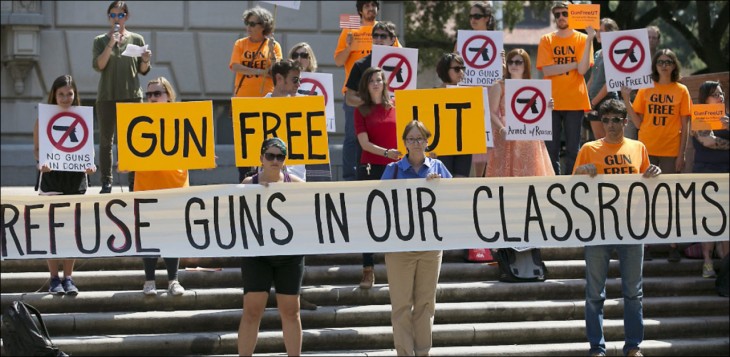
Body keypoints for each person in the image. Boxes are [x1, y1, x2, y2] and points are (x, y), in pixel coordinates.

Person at [573, 98, 662, 357]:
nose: (610, 125)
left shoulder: (638, 147)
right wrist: (580, 171)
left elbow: (647, 180)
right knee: (594, 293)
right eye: (605, 120)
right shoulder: (589, 148)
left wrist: (654, 172)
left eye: (616, 120)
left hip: (631, 228)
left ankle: (633, 346)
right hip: (598, 228)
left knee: (633, 292)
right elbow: (571, 185)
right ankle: (596, 348)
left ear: (625, 122)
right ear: (601, 122)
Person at [380, 120, 452, 356]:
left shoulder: (439, 168)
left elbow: (457, 197)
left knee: (425, 305)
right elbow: (379, 202)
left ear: (427, 141)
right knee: (401, 306)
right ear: (404, 143)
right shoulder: (392, 170)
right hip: (399, 247)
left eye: (420, 138)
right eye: (411, 139)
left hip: (431, 246)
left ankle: (423, 352)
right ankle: (404, 353)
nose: (416, 143)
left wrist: (440, 186)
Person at [237, 137, 305, 357]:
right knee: (252, 311)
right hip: (257, 255)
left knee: (291, 311)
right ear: (261, 158)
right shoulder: (248, 184)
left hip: (289, 256)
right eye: (270, 156)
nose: (275, 160)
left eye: (280, 156)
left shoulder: (296, 185)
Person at [622, 49, 691, 262]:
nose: (664, 65)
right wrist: (626, 98)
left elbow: (686, 125)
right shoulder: (645, 89)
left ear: (674, 65)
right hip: (647, 149)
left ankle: (673, 245)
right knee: (645, 196)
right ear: (655, 65)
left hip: (671, 151)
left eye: (668, 61)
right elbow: (639, 122)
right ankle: (647, 244)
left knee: (669, 198)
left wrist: (682, 154)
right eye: (660, 61)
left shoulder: (681, 90)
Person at [33, 75, 97, 295]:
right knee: (52, 230)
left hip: (76, 180)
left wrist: (91, 166)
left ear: (75, 94)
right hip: (51, 179)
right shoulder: (44, 118)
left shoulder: (83, 117)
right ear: (54, 94)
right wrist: (41, 163)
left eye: (69, 93)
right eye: (61, 94)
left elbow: (88, 148)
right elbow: (37, 149)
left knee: (72, 231)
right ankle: (53, 279)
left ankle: (68, 278)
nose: (65, 98)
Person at [92, 0, 151, 193]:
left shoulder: (137, 39)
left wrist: (145, 60)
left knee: (132, 141)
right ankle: (107, 181)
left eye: (120, 15)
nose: (117, 19)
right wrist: (111, 43)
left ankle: (134, 180)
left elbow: (143, 71)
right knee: (106, 141)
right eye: (113, 15)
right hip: (107, 96)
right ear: (108, 17)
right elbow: (99, 65)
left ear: (127, 17)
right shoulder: (100, 40)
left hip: (132, 96)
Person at [135, 77, 186, 297]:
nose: (152, 98)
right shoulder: (137, 120)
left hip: (174, 183)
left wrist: (202, 159)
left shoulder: (181, 119)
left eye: (157, 93)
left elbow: (191, 146)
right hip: (147, 184)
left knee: (172, 234)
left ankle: (173, 279)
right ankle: (149, 280)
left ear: (168, 95)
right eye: (149, 95)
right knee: (149, 234)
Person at [354, 66, 402, 289]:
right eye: (371, 80)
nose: (376, 83)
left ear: (385, 83)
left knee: (395, 218)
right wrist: (386, 152)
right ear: (366, 85)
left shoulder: (396, 108)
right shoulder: (361, 110)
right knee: (370, 219)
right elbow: (364, 144)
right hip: (371, 168)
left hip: (395, 169)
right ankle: (368, 269)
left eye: (379, 80)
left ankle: (396, 270)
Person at [537, 1, 594, 175]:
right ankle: (553, 183)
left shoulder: (583, 38)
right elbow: (547, 69)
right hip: (551, 101)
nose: (561, 17)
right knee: (551, 148)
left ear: (573, 15)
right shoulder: (546, 39)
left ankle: (571, 184)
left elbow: (583, 70)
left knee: (573, 149)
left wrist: (591, 37)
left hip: (575, 100)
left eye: (564, 13)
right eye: (557, 15)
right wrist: (574, 64)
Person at [230, 5, 283, 182]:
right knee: (244, 147)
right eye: (247, 23)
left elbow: (277, 71)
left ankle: (265, 179)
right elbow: (235, 66)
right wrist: (260, 72)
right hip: (243, 103)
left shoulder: (274, 45)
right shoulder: (240, 44)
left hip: (266, 102)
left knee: (265, 144)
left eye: (253, 24)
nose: (249, 27)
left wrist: (273, 54)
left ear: (264, 26)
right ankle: (245, 180)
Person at [487, 48, 554, 177]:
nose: (513, 65)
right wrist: (502, 130)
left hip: (529, 135)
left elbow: (537, 113)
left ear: (526, 65)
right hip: (506, 135)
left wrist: (548, 106)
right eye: (510, 62)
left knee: (531, 172)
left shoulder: (534, 86)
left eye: (518, 62)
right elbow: (491, 113)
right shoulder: (498, 86)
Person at [335, 0, 381, 182]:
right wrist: (349, 47)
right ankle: (350, 177)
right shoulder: (350, 28)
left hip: (378, 94)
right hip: (354, 93)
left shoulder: (382, 30)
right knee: (352, 138)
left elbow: (399, 56)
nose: (371, 9)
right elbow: (339, 61)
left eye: (374, 5)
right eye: (367, 6)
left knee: (377, 136)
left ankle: (375, 174)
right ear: (360, 11)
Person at [691, 81, 729, 278]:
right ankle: (707, 262)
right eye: (715, 94)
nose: (720, 97)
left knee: (727, 219)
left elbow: (717, 142)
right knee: (708, 218)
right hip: (705, 173)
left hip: (726, 173)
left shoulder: (727, 119)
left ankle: (725, 264)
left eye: (721, 93)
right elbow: (708, 141)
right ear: (705, 98)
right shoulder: (699, 116)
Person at [288, 42, 333, 182]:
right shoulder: (285, 82)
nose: (299, 58)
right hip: (294, 133)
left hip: (314, 133)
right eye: (295, 55)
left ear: (310, 58)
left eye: (304, 55)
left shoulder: (321, 81)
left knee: (317, 179)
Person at [461, 1, 496, 177]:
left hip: (489, 95)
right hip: (467, 95)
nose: (473, 20)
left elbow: (501, 74)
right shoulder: (462, 41)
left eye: (477, 16)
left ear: (487, 19)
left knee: (486, 144)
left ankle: (482, 182)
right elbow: (454, 66)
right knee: (469, 144)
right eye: (471, 16)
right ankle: (470, 182)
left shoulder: (496, 43)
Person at [434, 53, 472, 177]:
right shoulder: (432, 94)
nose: (461, 72)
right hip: (441, 146)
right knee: (443, 184)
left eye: (463, 68)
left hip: (464, 146)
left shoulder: (469, 94)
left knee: (460, 184)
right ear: (445, 70)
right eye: (456, 69)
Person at [585, 18, 619, 140]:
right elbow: (592, 78)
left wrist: (593, 102)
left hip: (608, 101)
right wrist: (586, 99)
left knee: (609, 139)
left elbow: (610, 84)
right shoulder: (597, 53)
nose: (598, 34)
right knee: (598, 140)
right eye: (598, 30)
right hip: (594, 101)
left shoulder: (614, 53)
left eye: (602, 31)